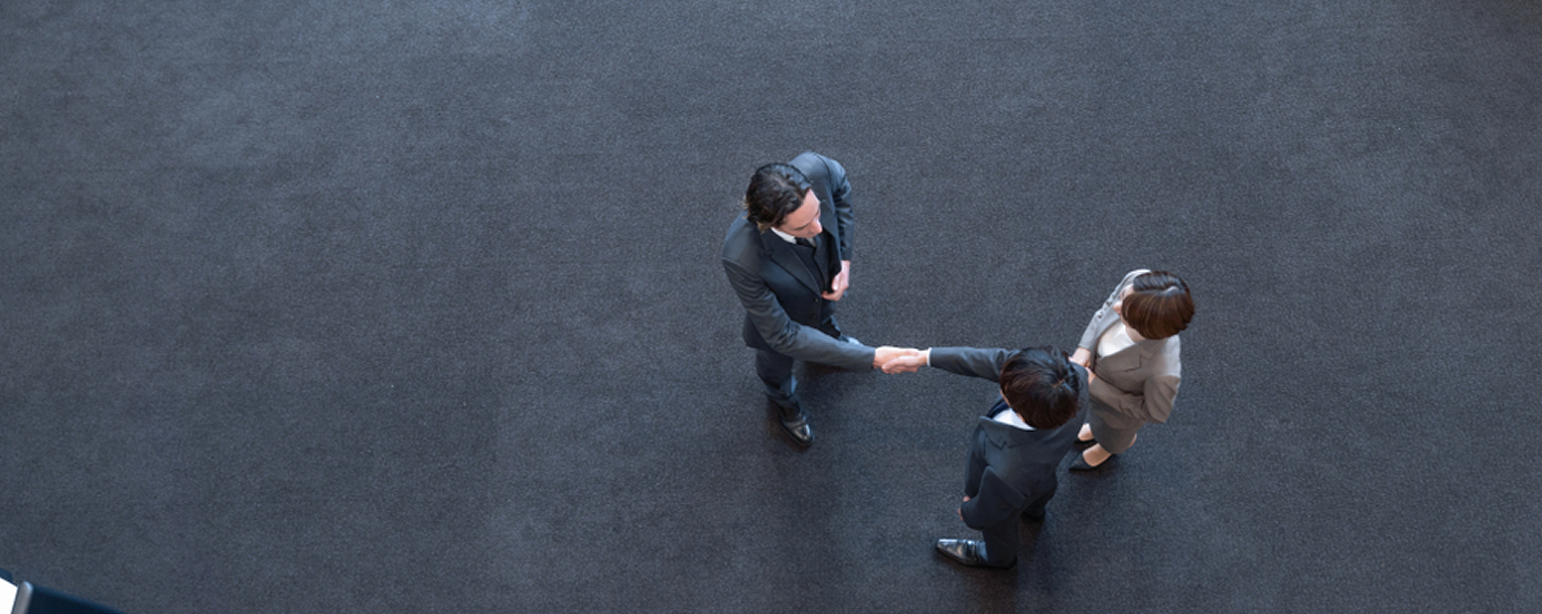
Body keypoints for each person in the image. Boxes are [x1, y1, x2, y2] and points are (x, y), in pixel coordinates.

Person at [721, 152, 914, 447]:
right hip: (780, 324)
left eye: (817, 212)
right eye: (802, 228)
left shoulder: (815, 168)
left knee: (825, 321)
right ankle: (784, 402)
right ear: (771, 225)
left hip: (819, 290)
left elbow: (841, 189)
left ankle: (831, 341)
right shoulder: (742, 257)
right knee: (776, 369)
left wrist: (844, 261)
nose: (818, 228)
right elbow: (783, 336)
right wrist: (872, 358)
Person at [882, 346, 1087, 568]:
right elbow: (996, 360)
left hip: (1009, 488)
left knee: (999, 529)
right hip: (1044, 470)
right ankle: (1034, 511)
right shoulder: (1075, 378)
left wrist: (969, 512)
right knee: (1041, 489)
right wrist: (926, 357)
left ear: (1019, 410)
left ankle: (998, 559)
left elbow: (989, 511)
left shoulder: (1008, 470)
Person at [1067, 269, 1193, 470]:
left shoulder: (1163, 373)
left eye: (1125, 313)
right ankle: (1096, 429)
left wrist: (1094, 385)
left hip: (1118, 418)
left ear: (1147, 328)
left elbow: (1154, 413)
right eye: (1123, 296)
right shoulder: (1137, 279)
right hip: (1097, 401)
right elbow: (1105, 310)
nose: (1116, 307)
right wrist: (1084, 349)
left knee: (1113, 437)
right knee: (1096, 418)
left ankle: (1107, 448)